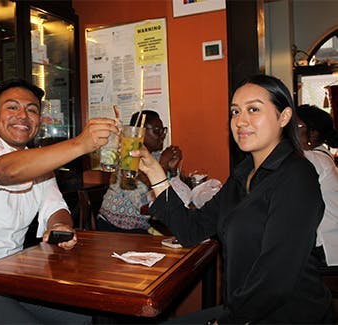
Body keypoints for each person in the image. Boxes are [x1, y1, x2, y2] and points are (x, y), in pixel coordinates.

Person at [132, 75, 335, 323]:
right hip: (242, 312)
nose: (240, 120)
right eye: (235, 111)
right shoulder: (243, 175)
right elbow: (191, 229)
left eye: (253, 109)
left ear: (283, 117)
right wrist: (155, 172)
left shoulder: (296, 176)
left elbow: (276, 279)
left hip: (287, 315)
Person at [0, 78, 118, 323]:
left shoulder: (38, 162)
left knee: (83, 319)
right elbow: (6, 172)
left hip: (8, 276)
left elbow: (56, 208)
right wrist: (81, 143)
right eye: (12, 107)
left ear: (39, 120)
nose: (23, 115)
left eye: (32, 109)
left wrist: (59, 226)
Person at [97, 110, 182, 233]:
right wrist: (162, 165)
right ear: (140, 132)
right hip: (115, 227)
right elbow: (142, 203)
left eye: (163, 130)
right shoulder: (127, 158)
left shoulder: (156, 157)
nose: (162, 135)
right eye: (157, 131)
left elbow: (172, 193)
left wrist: (173, 170)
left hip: (141, 226)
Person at [296, 104, 338, 266]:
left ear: (313, 134)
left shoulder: (313, 159)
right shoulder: (322, 157)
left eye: (297, 126)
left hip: (325, 248)